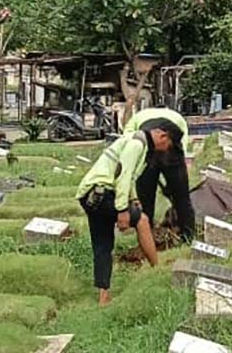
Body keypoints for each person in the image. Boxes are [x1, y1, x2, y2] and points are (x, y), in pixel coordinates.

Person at [75, 116, 180, 306]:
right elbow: (123, 175)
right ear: (163, 136)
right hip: (103, 193)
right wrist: (123, 210)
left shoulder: (134, 140)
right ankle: (157, 270)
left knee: (103, 244)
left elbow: (128, 175)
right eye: (169, 145)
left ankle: (103, 295)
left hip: (89, 195)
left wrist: (134, 199)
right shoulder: (138, 144)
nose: (166, 150)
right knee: (142, 221)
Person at [120, 107, 195, 241]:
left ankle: (146, 236)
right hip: (165, 148)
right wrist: (178, 182)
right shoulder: (177, 117)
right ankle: (187, 236)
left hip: (148, 145)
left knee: (145, 198)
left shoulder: (138, 116)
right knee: (182, 198)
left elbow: (128, 140)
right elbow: (181, 147)